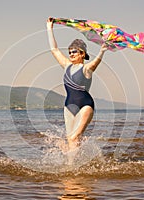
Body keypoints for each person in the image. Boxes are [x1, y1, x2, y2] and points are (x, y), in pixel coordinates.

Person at [46, 17, 107, 151]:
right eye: (69, 52)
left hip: (85, 105)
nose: (71, 54)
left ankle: (78, 165)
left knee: (75, 137)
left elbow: (96, 62)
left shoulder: (87, 68)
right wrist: (49, 28)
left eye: (74, 51)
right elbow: (54, 50)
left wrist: (102, 51)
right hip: (68, 106)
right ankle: (72, 167)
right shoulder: (66, 65)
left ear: (82, 53)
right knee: (70, 141)